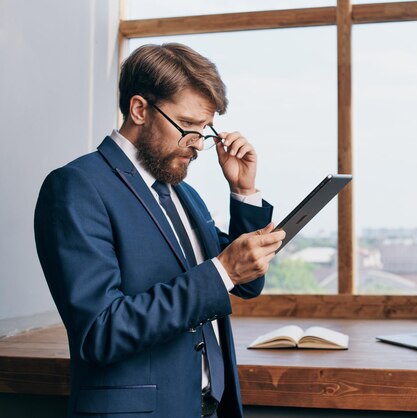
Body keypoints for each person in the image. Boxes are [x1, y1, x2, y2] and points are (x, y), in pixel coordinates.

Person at [34, 43, 285, 418]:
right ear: (139, 109)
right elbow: (99, 331)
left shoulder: (185, 194)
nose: (198, 146)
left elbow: (245, 284)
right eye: (188, 127)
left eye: (205, 131)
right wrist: (222, 271)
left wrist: (243, 192)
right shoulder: (76, 186)